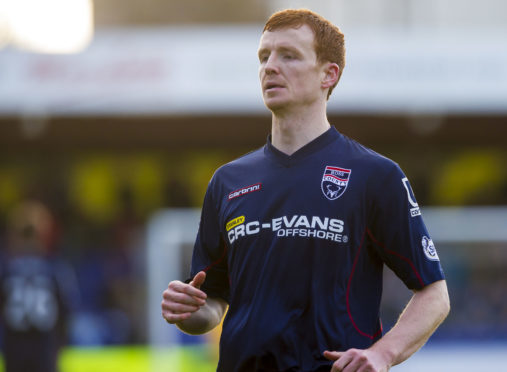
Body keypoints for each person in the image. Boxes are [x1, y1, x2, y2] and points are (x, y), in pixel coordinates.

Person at [162, 8, 450, 372]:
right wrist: (188, 311)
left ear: (329, 74)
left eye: (289, 55)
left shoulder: (374, 175)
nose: (270, 66)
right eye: (263, 57)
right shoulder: (227, 181)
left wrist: (382, 353)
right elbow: (213, 304)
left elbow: (434, 294)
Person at [0, 201, 79, 372]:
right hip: (45, 349)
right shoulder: (55, 269)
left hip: (14, 350)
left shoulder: (6, 270)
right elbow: (67, 311)